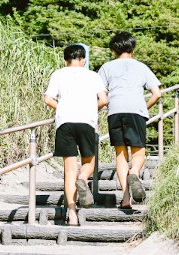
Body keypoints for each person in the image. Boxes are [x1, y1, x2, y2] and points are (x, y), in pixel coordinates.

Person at [43, 43, 108, 226]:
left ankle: (72, 215)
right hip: (86, 121)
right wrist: (91, 110)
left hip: (64, 122)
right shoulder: (93, 75)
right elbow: (103, 100)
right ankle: (83, 179)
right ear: (84, 60)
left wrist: (63, 108)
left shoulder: (58, 74)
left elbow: (48, 99)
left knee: (69, 169)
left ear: (65, 61)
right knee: (89, 161)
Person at [96, 31, 161, 208]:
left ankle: (125, 199)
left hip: (115, 111)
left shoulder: (107, 67)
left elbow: (100, 95)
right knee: (138, 152)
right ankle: (134, 172)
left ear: (114, 51)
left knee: (121, 154)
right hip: (136, 111)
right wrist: (143, 109)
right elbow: (157, 94)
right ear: (133, 49)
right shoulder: (141, 67)